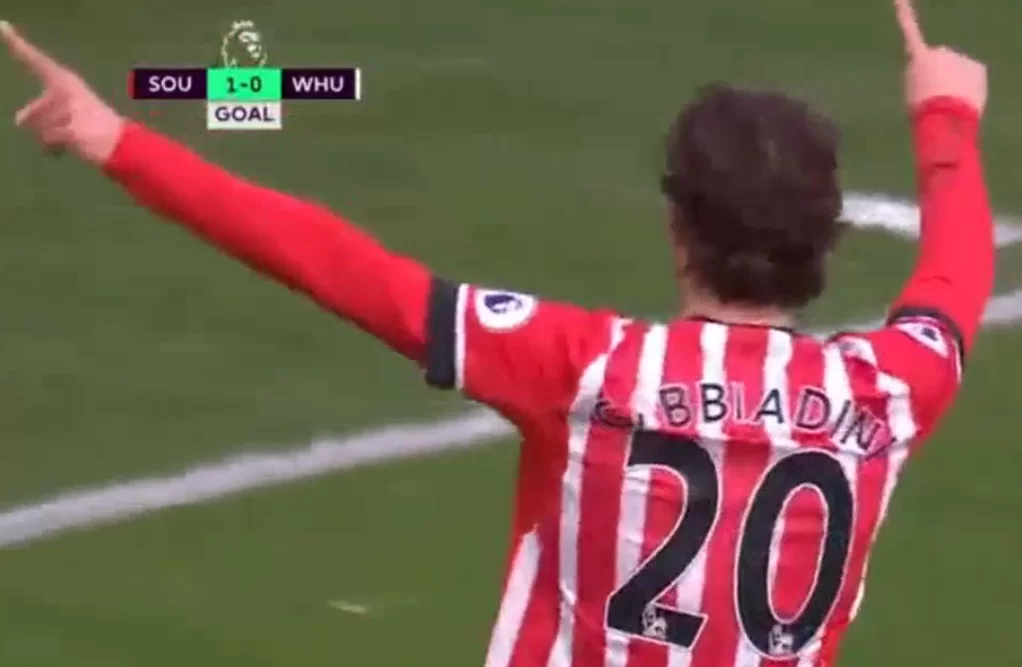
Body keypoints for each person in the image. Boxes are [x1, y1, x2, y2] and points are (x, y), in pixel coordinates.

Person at [0, 0, 992, 664]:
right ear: (827, 239)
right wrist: (943, 116)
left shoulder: (585, 369)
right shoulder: (890, 389)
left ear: (676, 226)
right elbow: (954, 274)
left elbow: (337, 265)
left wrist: (115, 139)